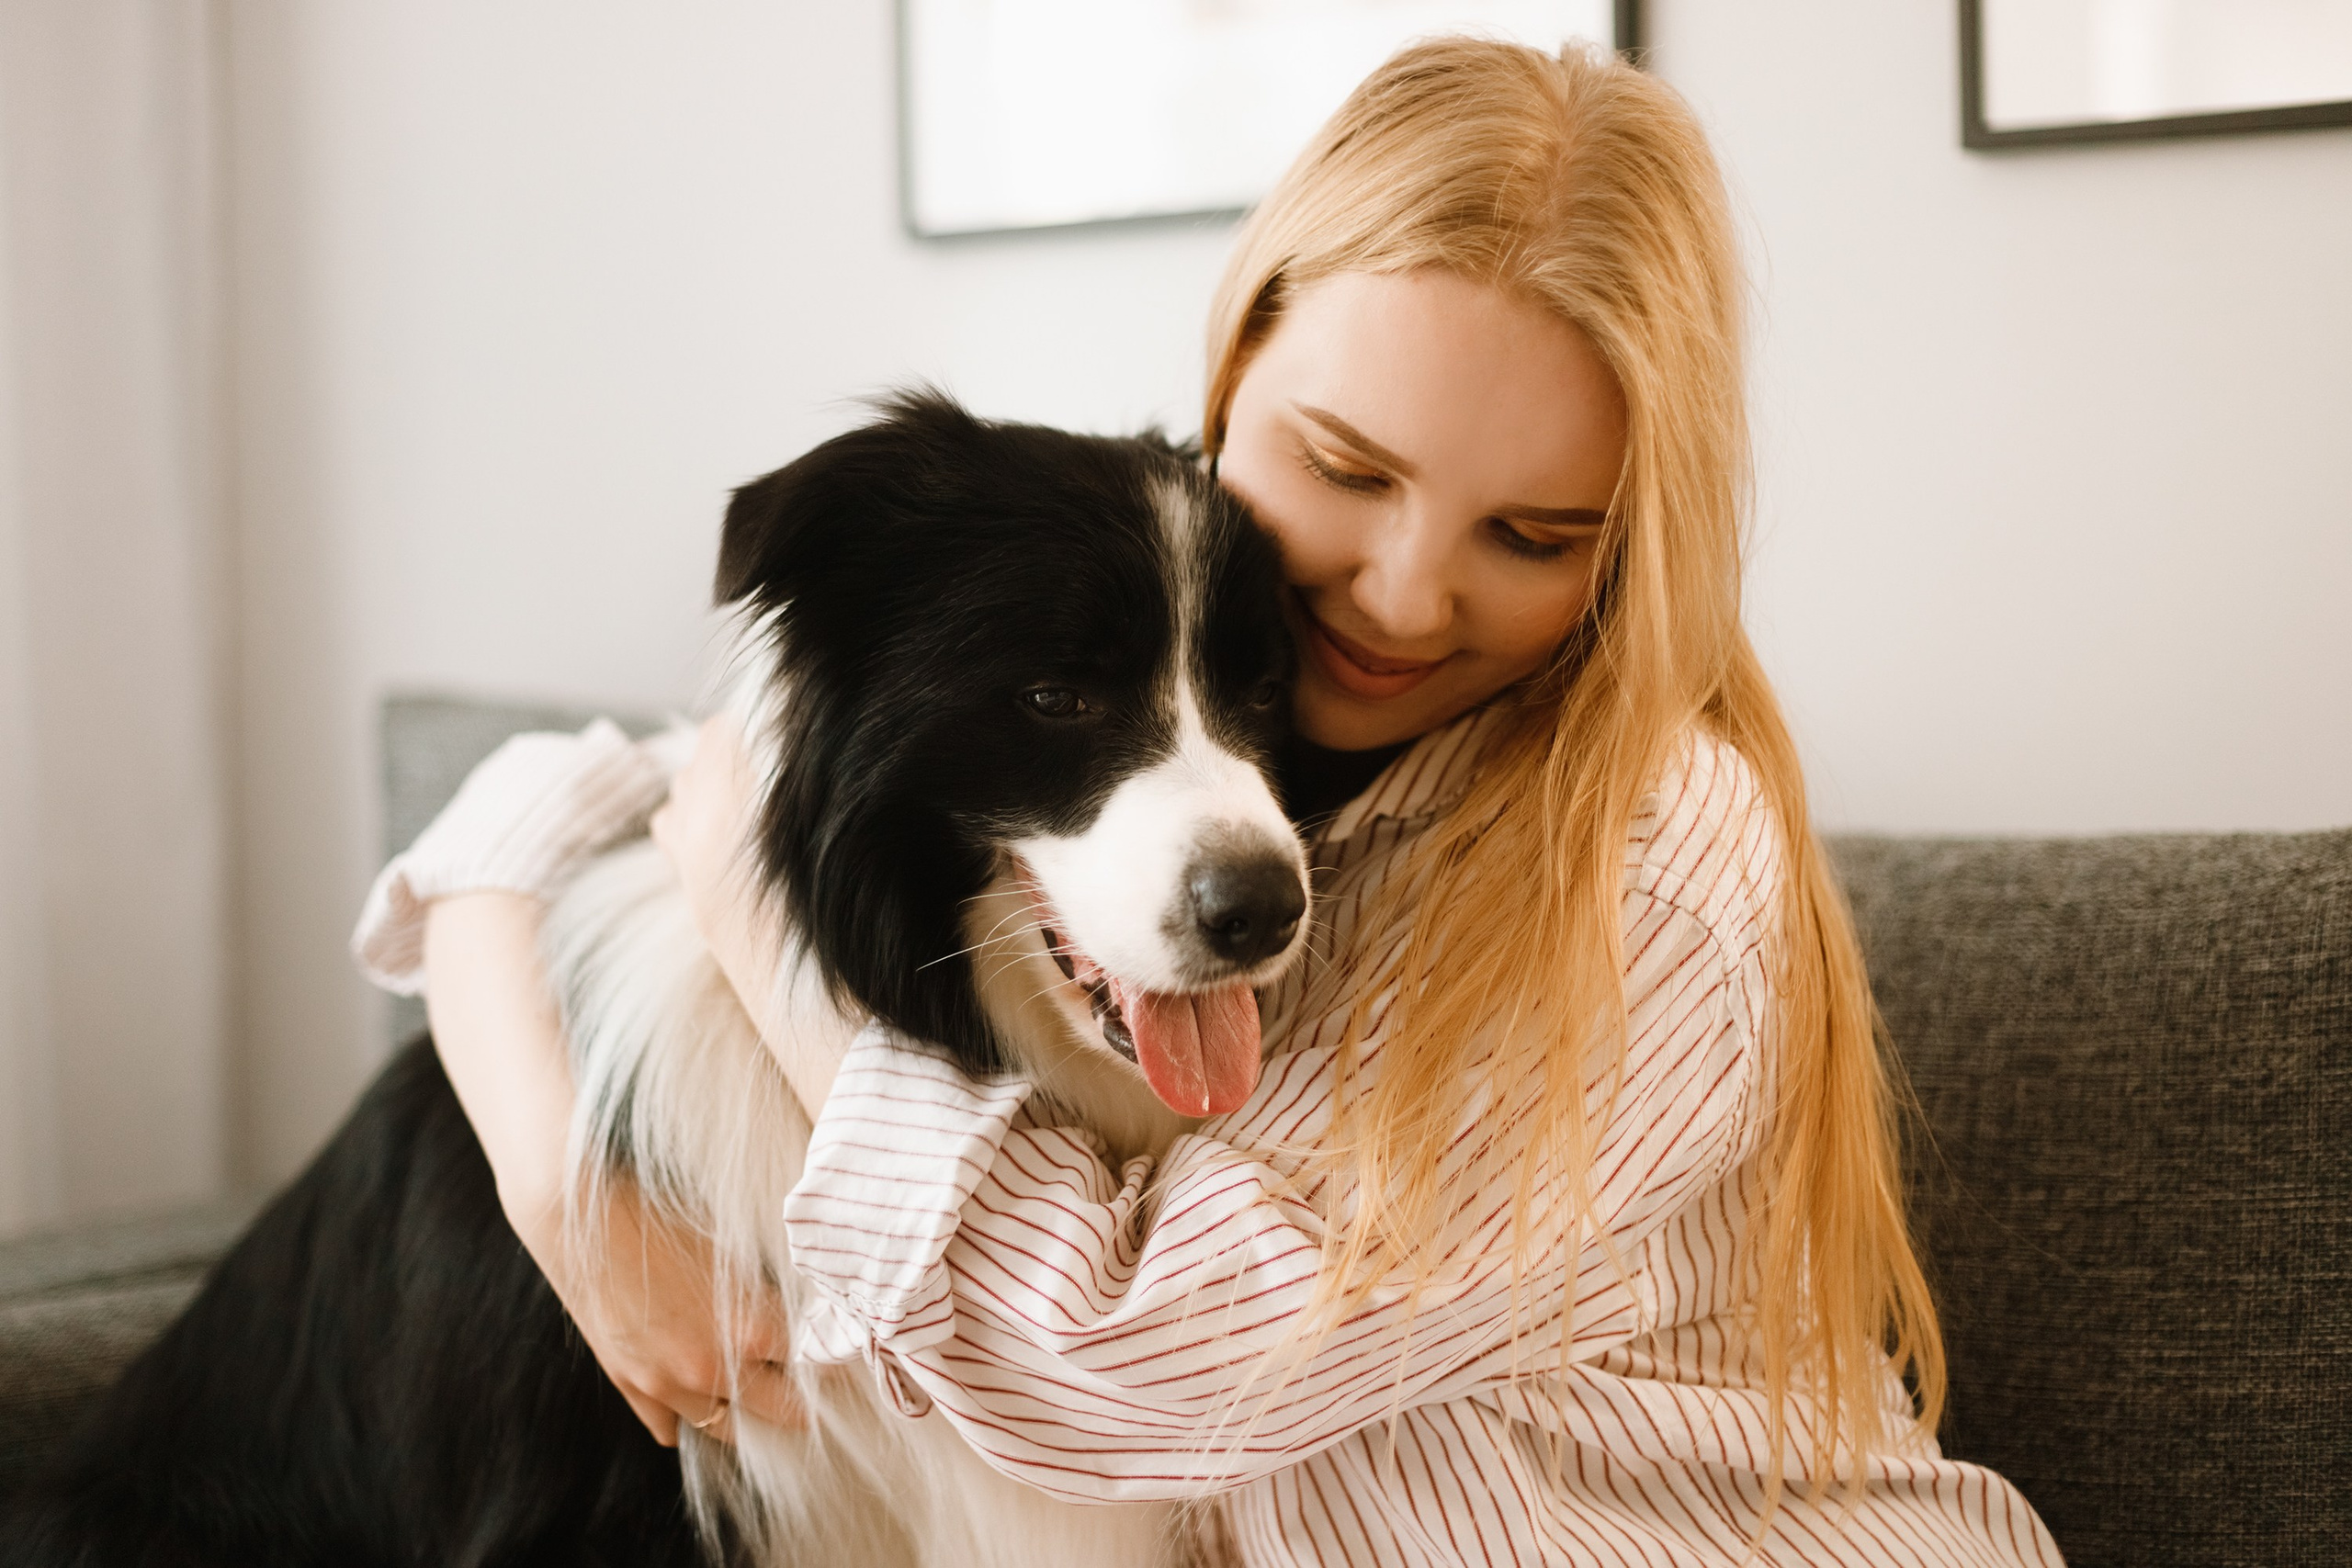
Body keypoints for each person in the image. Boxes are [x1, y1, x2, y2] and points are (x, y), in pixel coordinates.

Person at [359, 38, 2061, 1566]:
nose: (1402, 594)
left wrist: (747, 912)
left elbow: (1132, 1382)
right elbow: (589, 790)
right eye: (1348, 469)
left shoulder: (1646, 870)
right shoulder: (1227, 640)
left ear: (1638, 542)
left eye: (1531, 536)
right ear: (1236, 360)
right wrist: (543, 1169)